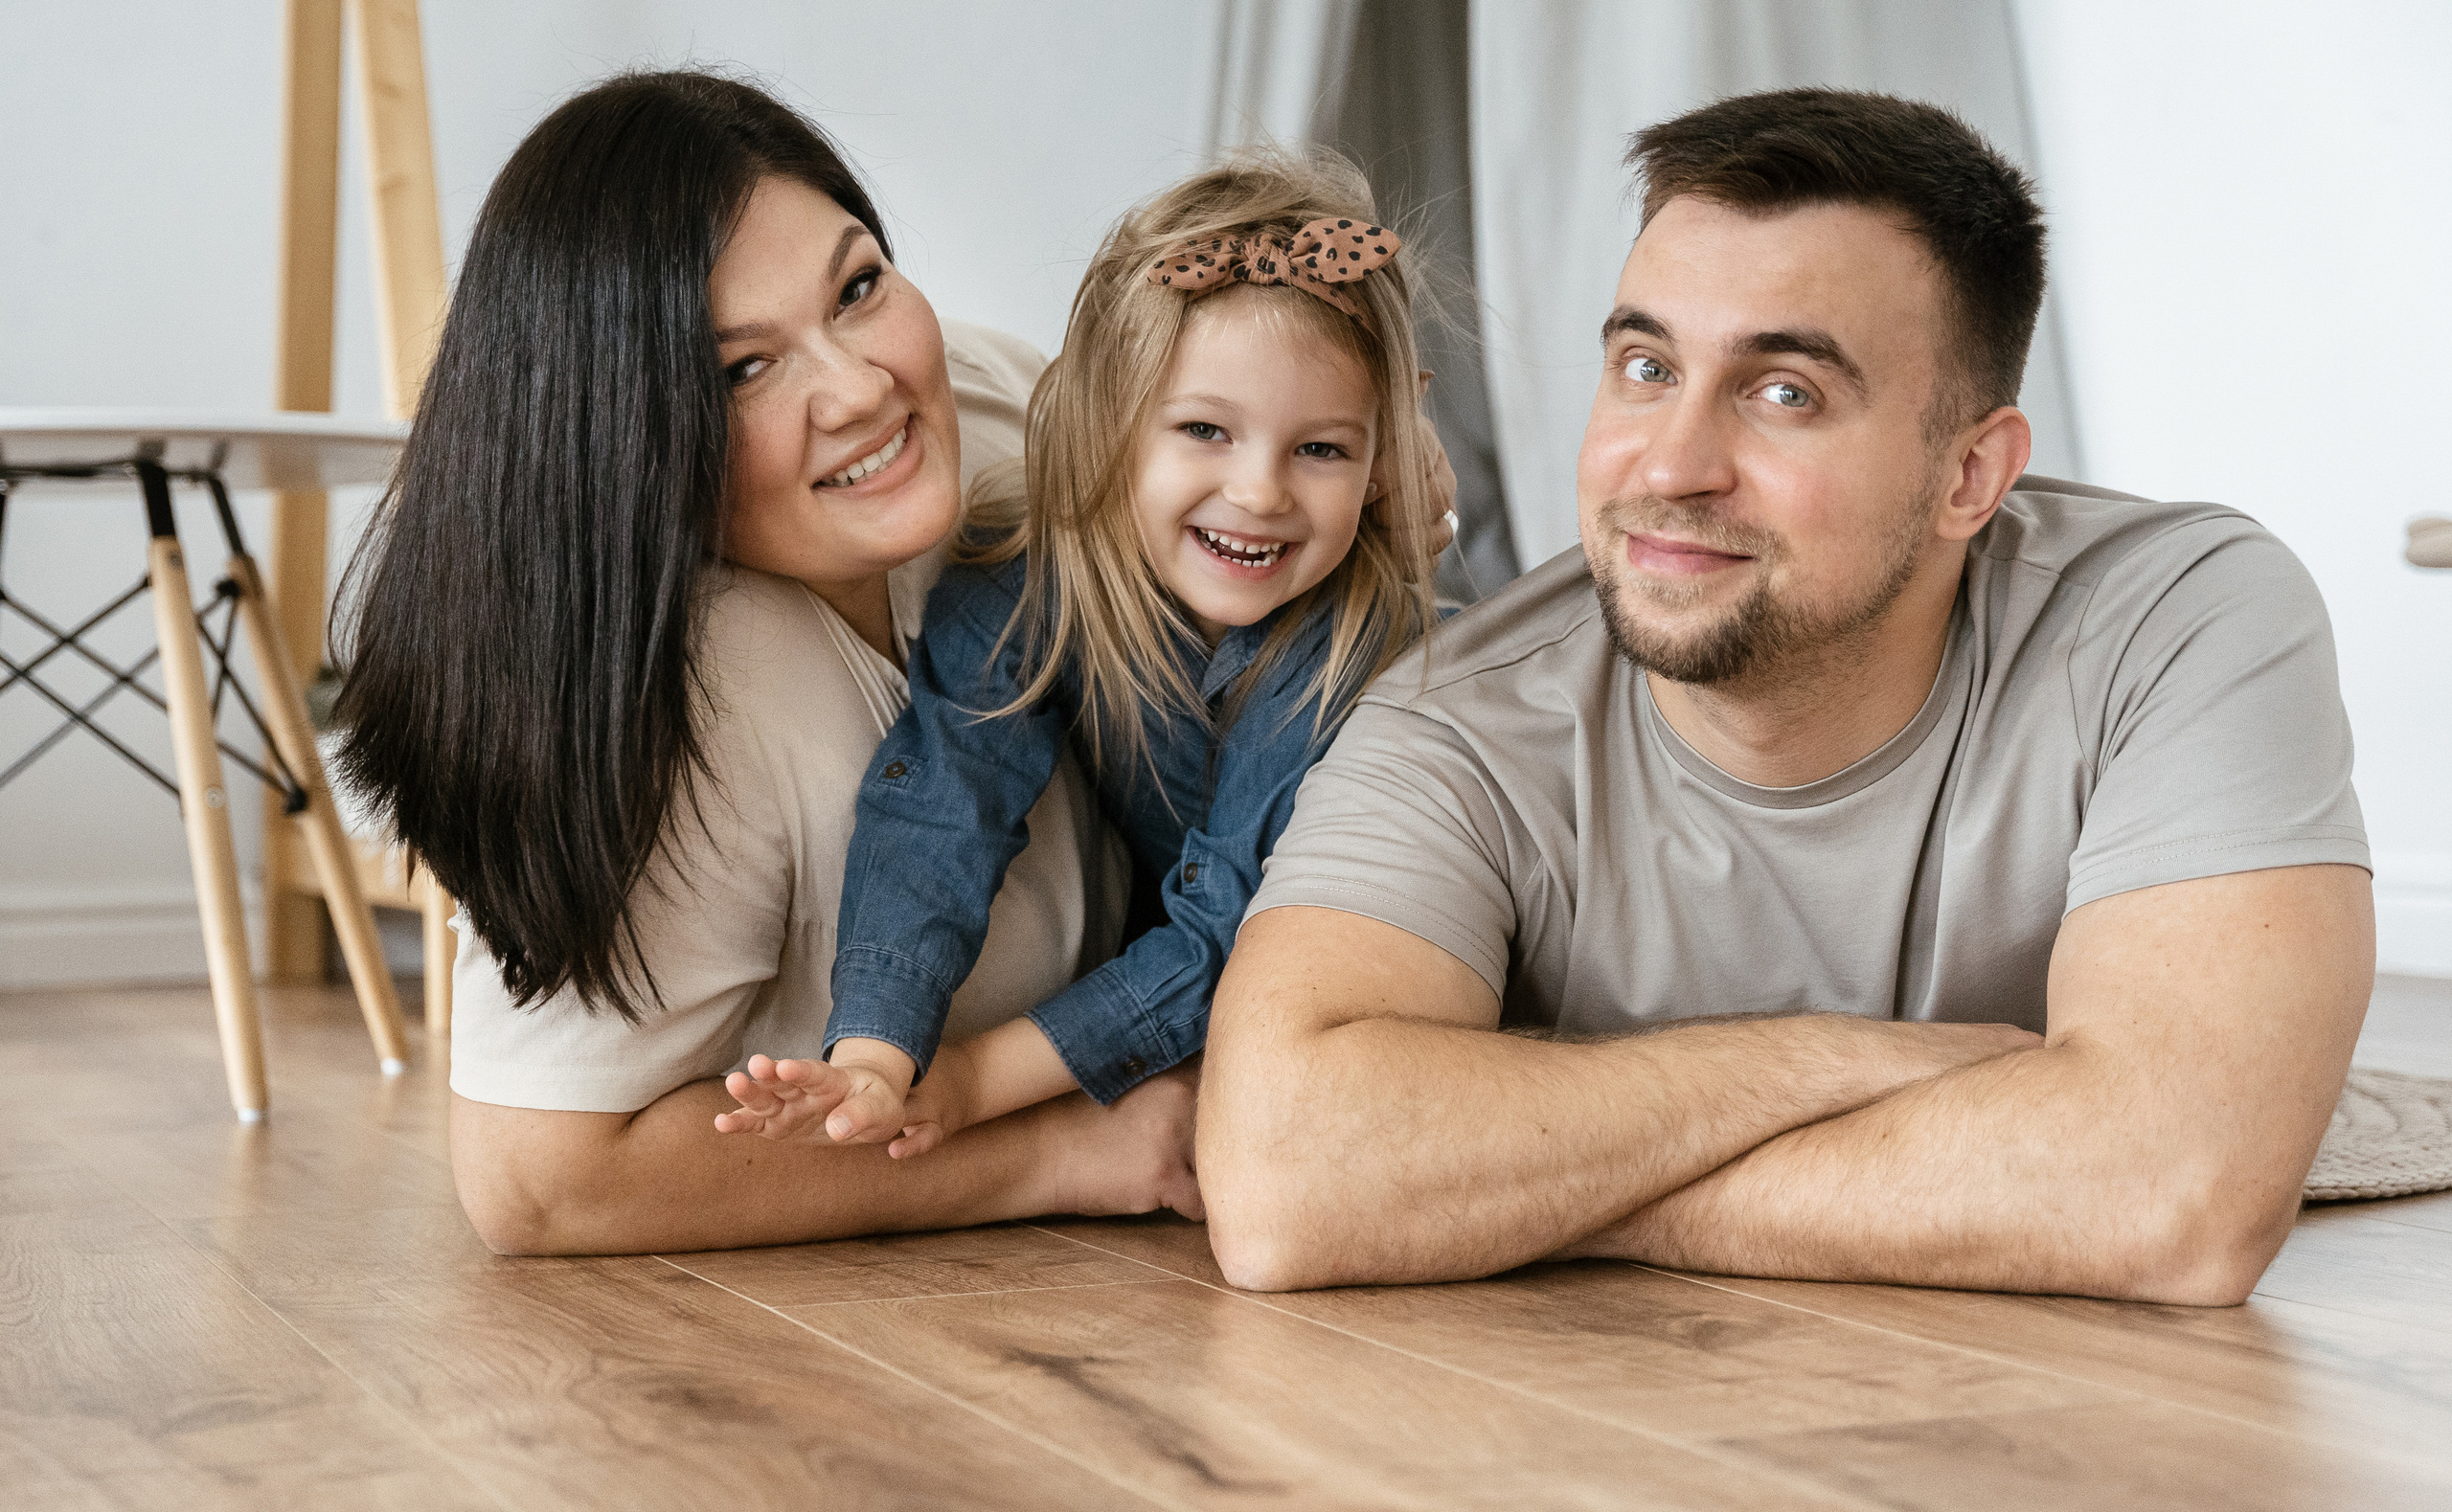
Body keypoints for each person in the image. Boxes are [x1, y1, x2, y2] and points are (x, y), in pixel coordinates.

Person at [1200, 88, 2374, 1306]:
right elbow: (1287, 1182)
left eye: (1784, 394)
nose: (1668, 465)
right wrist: (1851, 1066)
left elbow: (2174, 1195)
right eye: (1646, 368)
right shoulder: (1460, 717)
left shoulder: (2178, 620)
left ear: (1971, 473)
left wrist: (1521, 1186)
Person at [335, 72, 1202, 1255]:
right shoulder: (700, 690)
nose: (862, 388)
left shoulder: (1000, 415)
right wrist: (1064, 1153)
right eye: (744, 369)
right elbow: (539, 1181)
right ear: (629, 444)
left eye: (857, 288)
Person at [713, 153, 1446, 1158]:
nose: (1262, 492)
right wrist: (876, 1054)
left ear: (1382, 458)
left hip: (1404, 977)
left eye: (1320, 448)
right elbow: (941, 802)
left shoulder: (1350, 654)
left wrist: (971, 1082)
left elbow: (1225, 933)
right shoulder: (1021, 582)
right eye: (1204, 430)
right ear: (1107, 419)